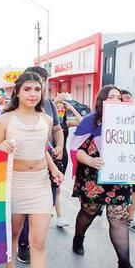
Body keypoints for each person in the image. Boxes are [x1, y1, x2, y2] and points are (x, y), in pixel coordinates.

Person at [0, 70, 64, 268]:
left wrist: (53, 169)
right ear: (18, 92)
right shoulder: (4, 120)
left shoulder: (46, 119)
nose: (33, 94)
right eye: (28, 89)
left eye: (37, 89)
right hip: (14, 183)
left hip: (40, 183)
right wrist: (1, 148)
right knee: (13, 232)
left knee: (38, 241)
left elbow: (42, 150)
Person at [70, 85, 135, 268]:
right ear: (101, 100)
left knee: (119, 219)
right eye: (111, 97)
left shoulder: (132, 120)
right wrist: (90, 160)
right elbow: (76, 150)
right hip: (94, 175)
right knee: (89, 212)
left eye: (119, 97)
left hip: (119, 176)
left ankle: (124, 265)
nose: (116, 100)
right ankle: (78, 238)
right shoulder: (90, 121)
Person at [16, 66, 65, 263]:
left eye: (41, 83)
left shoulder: (49, 106)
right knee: (24, 210)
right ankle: (23, 244)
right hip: (22, 170)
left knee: (45, 205)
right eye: (31, 85)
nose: (36, 89)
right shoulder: (11, 114)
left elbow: (57, 129)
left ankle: (32, 239)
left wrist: (59, 146)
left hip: (47, 163)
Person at [50, 93, 83, 228]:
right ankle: (56, 213)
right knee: (52, 187)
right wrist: (54, 103)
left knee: (56, 186)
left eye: (62, 108)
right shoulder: (47, 120)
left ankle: (56, 213)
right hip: (48, 156)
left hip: (62, 157)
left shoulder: (65, 123)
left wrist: (71, 108)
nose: (60, 109)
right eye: (58, 107)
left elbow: (81, 122)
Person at [121, 90, 135, 234]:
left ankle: (130, 219)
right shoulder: (112, 117)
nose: (126, 100)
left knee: (134, 190)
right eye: (122, 99)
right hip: (118, 160)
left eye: (128, 98)